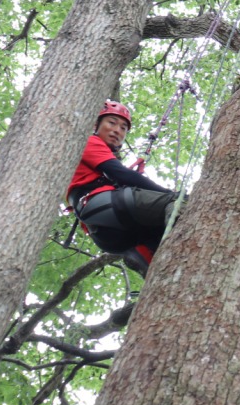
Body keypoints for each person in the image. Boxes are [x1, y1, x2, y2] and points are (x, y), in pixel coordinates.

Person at [66, 101, 179, 276]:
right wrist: (172, 195)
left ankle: (151, 262)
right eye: (112, 123)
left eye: (123, 128)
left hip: (107, 232)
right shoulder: (90, 141)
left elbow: (121, 177)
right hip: (104, 205)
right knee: (176, 202)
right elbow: (122, 174)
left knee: (157, 233)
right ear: (96, 125)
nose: (117, 130)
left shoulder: (95, 159)